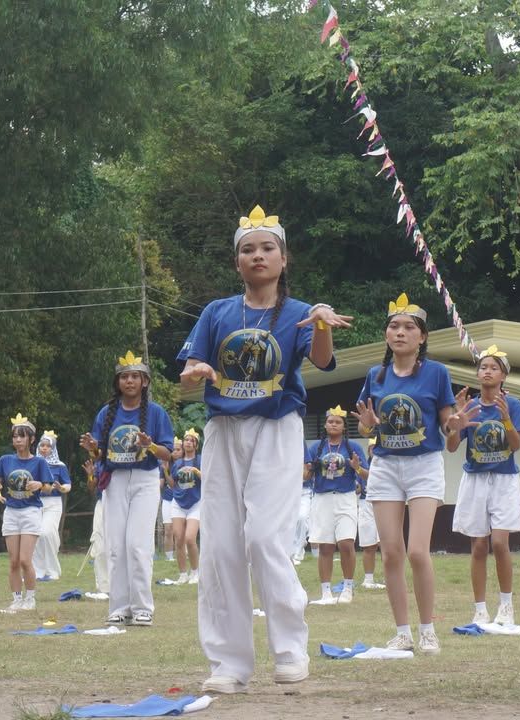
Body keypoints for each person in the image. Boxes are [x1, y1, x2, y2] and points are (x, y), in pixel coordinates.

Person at [179, 204, 349, 693]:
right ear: (237, 263)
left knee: (265, 539)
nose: (257, 256)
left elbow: (320, 361)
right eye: (248, 250)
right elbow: (191, 369)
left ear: (283, 258)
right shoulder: (217, 312)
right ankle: (229, 663)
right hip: (224, 433)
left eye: (267, 248)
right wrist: (198, 372)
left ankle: (290, 649)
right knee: (222, 546)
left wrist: (318, 322)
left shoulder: (298, 313)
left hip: (276, 430)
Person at [353, 293, 473, 654]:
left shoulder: (436, 373)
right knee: (391, 553)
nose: (400, 332)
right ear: (387, 336)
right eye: (394, 326)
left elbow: (448, 429)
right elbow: (366, 427)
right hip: (386, 466)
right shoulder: (376, 374)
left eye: (409, 327)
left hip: (424, 465)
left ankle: (427, 630)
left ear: (422, 337)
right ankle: (402, 632)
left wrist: (455, 424)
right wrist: (366, 427)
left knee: (418, 552)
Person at [81, 350, 174, 627]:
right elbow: (100, 456)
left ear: (144, 382)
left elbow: (168, 454)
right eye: (124, 377)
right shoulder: (107, 413)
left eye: (135, 376)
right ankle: (119, 606)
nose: (129, 381)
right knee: (116, 546)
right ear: (118, 382)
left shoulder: (156, 413)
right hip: (116, 481)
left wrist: (150, 446)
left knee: (137, 544)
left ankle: (142, 607)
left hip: (145, 480)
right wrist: (93, 448)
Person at [453, 345, 520, 626]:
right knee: (477, 547)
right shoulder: (469, 405)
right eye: (483, 367)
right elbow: (451, 447)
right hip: (474, 479)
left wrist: (506, 419)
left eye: (493, 368)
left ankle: (506, 606)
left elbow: (516, 445)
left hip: (504, 479)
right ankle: (479, 609)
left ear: (503, 376)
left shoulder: (514, 404)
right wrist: (457, 421)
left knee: (499, 543)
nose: (487, 371)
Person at [308, 406, 366, 604]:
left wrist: (357, 468)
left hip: (346, 497)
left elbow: (368, 475)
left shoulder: (353, 448)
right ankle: (326, 593)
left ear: (343, 426)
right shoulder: (316, 447)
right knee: (325, 546)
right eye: (330, 421)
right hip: (322, 498)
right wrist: (309, 468)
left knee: (346, 543)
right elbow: (305, 476)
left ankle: (348, 588)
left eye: (338, 422)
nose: (333, 424)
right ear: (325, 424)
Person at [0, 414, 50, 611]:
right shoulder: (5, 460)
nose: (17, 440)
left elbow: (50, 487)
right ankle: (16, 600)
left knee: (25, 560)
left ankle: (30, 599)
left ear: (31, 439)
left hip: (31, 511)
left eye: (22, 436)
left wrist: (40, 484)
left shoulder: (40, 463)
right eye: (15, 436)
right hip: (11, 511)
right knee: (14, 561)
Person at [33, 430, 70, 581]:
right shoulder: (33, 463)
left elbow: (67, 485)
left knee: (47, 533)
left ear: (52, 448)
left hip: (53, 503)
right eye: (42, 445)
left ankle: (52, 570)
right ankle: (37, 571)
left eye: (48, 446)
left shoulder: (60, 466)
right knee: (35, 535)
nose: (44, 448)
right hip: (35, 503)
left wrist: (61, 488)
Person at [170, 429, 202, 585]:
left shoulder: (201, 460)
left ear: (196, 444)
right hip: (178, 503)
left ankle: (195, 572)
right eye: (186, 440)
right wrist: (165, 469)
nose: (188, 442)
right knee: (179, 539)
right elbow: (173, 484)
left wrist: (196, 471)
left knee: (190, 538)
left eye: (191, 440)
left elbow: (209, 479)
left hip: (196, 502)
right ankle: (183, 574)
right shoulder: (177, 463)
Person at [356, 437, 384, 589]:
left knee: (386, 544)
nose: (374, 450)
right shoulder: (363, 465)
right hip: (366, 503)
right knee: (368, 544)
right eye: (372, 447)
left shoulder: (388, 464)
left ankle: (390, 577)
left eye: (377, 447)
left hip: (384, 503)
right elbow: (358, 488)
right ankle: (368, 579)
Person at [84, 458, 109, 600]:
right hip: (102, 504)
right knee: (100, 546)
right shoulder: (99, 463)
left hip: (122, 503)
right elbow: (91, 488)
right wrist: (91, 475)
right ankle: (103, 588)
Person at [293, 443, 314, 565]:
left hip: (304, 490)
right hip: (285, 490)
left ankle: (298, 551)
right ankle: (290, 552)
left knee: (302, 518)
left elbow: (307, 467)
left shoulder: (300, 440)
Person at [159, 445, 179, 562]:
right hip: (167, 499)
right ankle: (169, 556)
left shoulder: (186, 464)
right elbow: (161, 484)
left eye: (178, 450)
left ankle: (183, 552)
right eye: (173, 450)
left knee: (180, 529)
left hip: (181, 499)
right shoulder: (164, 465)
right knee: (168, 529)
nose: (175, 452)